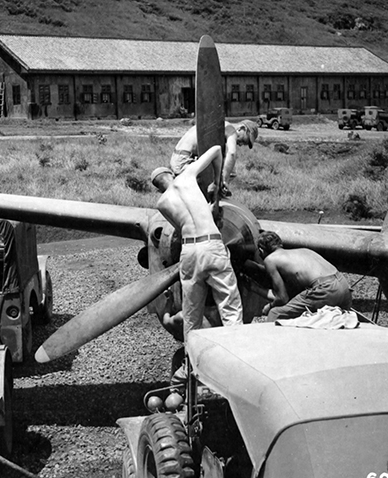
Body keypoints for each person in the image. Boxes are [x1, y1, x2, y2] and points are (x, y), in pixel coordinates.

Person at [151, 145, 243, 341]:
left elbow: (182, 227)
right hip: (212, 244)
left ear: (158, 187)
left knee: (191, 315)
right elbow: (217, 149)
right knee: (230, 307)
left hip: (189, 251)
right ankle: (238, 352)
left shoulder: (162, 204)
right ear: (172, 174)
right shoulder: (187, 176)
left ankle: (191, 363)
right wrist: (218, 182)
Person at [255, 230, 352, 322]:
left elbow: (282, 298)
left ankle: (269, 339)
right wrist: (254, 288)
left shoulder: (270, 260)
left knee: (275, 313)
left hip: (325, 288)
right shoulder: (303, 251)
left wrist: (269, 306)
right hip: (343, 285)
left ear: (261, 250)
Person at [169, 120, 259, 196]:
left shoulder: (222, 126)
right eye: (244, 141)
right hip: (183, 160)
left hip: (179, 157)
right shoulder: (231, 130)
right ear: (241, 128)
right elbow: (231, 153)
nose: (241, 144)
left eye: (245, 144)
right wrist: (225, 181)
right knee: (226, 174)